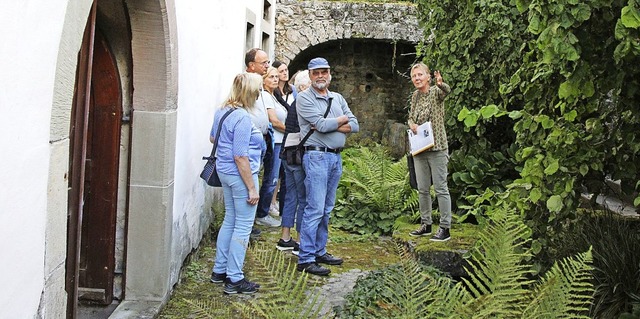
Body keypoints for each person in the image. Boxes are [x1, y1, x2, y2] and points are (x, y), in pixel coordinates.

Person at [296, 57, 359, 276]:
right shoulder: (304, 99)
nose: (320, 76)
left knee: (327, 208)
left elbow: (356, 125)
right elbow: (320, 126)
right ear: (310, 75)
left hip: (335, 158)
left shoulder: (337, 97)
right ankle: (305, 258)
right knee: (314, 208)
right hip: (316, 158)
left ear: (329, 74)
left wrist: (335, 123)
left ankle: (319, 250)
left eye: (324, 72)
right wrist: (342, 120)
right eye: (316, 73)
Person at [209, 72, 265, 294]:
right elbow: (240, 156)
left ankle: (219, 270)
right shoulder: (242, 117)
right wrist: (252, 187)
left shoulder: (222, 111)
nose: (260, 94)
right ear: (250, 92)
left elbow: (213, 138)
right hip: (241, 176)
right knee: (243, 226)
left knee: (230, 220)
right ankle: (234, 278)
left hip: (224, 173)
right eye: (258, 90)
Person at [407, 62, 452, 242]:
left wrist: (441, 83)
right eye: (414, 76)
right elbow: (411, 116)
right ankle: (426, 224)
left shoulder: (435, 92)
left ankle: (445, 227)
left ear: (428, 77)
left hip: (437, 146)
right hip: (419, 148)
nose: (417, 79)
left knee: (441, 188)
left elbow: (446, 91)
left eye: (420, 75)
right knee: (423, 188)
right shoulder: (415, 96)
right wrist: (412, 124)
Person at [244, 48, 281, 229]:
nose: (267, 66)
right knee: (250, 180)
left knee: (260, 177)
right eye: (264, 63)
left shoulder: (259, 84)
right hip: (251, 141)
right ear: (252, 65)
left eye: (267, 62)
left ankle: (252, 220)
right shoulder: (246, 84)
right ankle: (247, 223)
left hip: (263, 138)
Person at [275, 70, 311, 255]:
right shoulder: (305, 103)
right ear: (304, 86)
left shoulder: (296, 102)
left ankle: (285, 237)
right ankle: (299, 241)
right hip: (297, 155)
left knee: (290, 196)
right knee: (303, 198)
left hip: (287, 153)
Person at [253, 67, 287, 227]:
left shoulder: (275, 96)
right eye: (271, 76)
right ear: (264, 80)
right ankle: (261, 213)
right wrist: (293, 132)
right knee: (271, 178)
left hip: (281, 141)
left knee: (275, 178)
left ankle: (265, 210)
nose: (275, 79)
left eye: (276, 76)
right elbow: (273, 120)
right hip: (275, 142)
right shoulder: (265, 96)